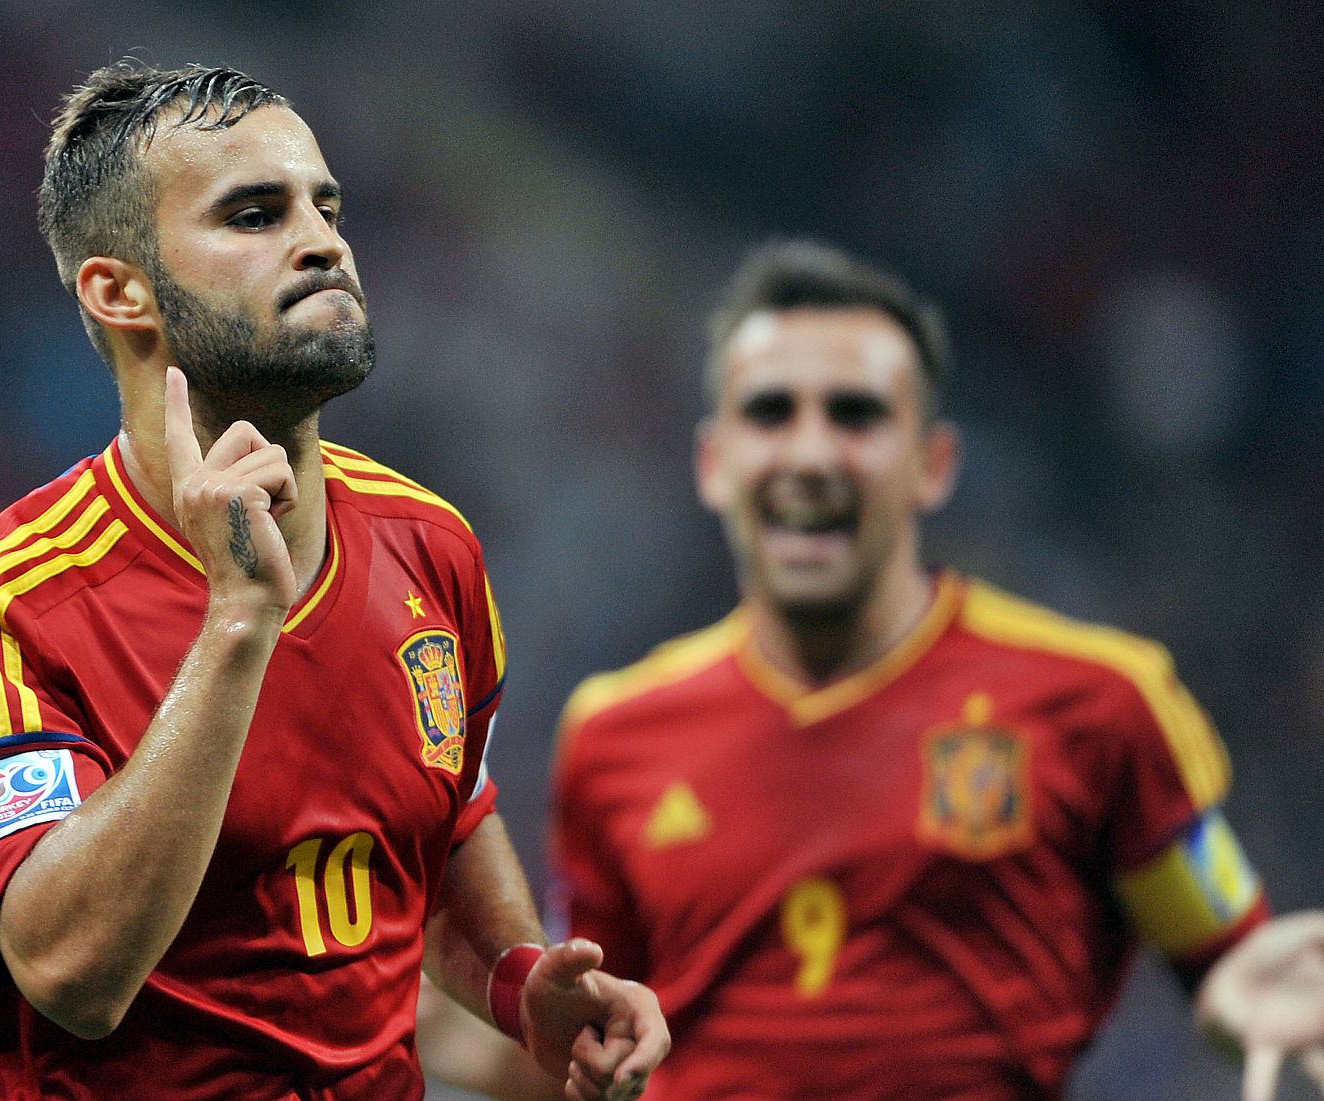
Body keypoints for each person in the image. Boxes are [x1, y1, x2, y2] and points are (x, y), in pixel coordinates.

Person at [0, 60, 666, 1101]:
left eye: (325, 206)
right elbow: (72, 973)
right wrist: (236, 624)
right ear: (119, 290)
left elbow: (443, 829)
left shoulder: (429, 543)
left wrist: (524, 984)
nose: (323, 241)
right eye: (254, 214)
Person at [420, 239, 1324, 1101]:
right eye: (771, 412)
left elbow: (1235, 957)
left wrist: (1261, 983)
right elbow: (592, 1054)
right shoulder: (614, 733)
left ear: (933, 465)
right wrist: (439, 1026)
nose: (812, 453)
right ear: (714, 462)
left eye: (856, 414)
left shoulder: (1098, 704)